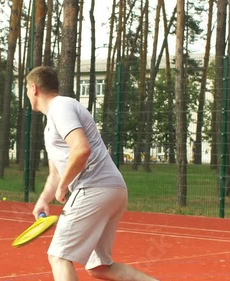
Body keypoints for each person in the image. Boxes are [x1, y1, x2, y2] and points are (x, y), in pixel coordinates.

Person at [27, 66, 159, 281]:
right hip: (111, 188)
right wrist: (44, 199)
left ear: (33, 88)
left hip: (93, 188)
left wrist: (63, 187)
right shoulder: (53, 121)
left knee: (58, 256)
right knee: (99, 268)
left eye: (25, 88)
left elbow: (81, 149)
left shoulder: (60, 107)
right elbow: (56, 174)